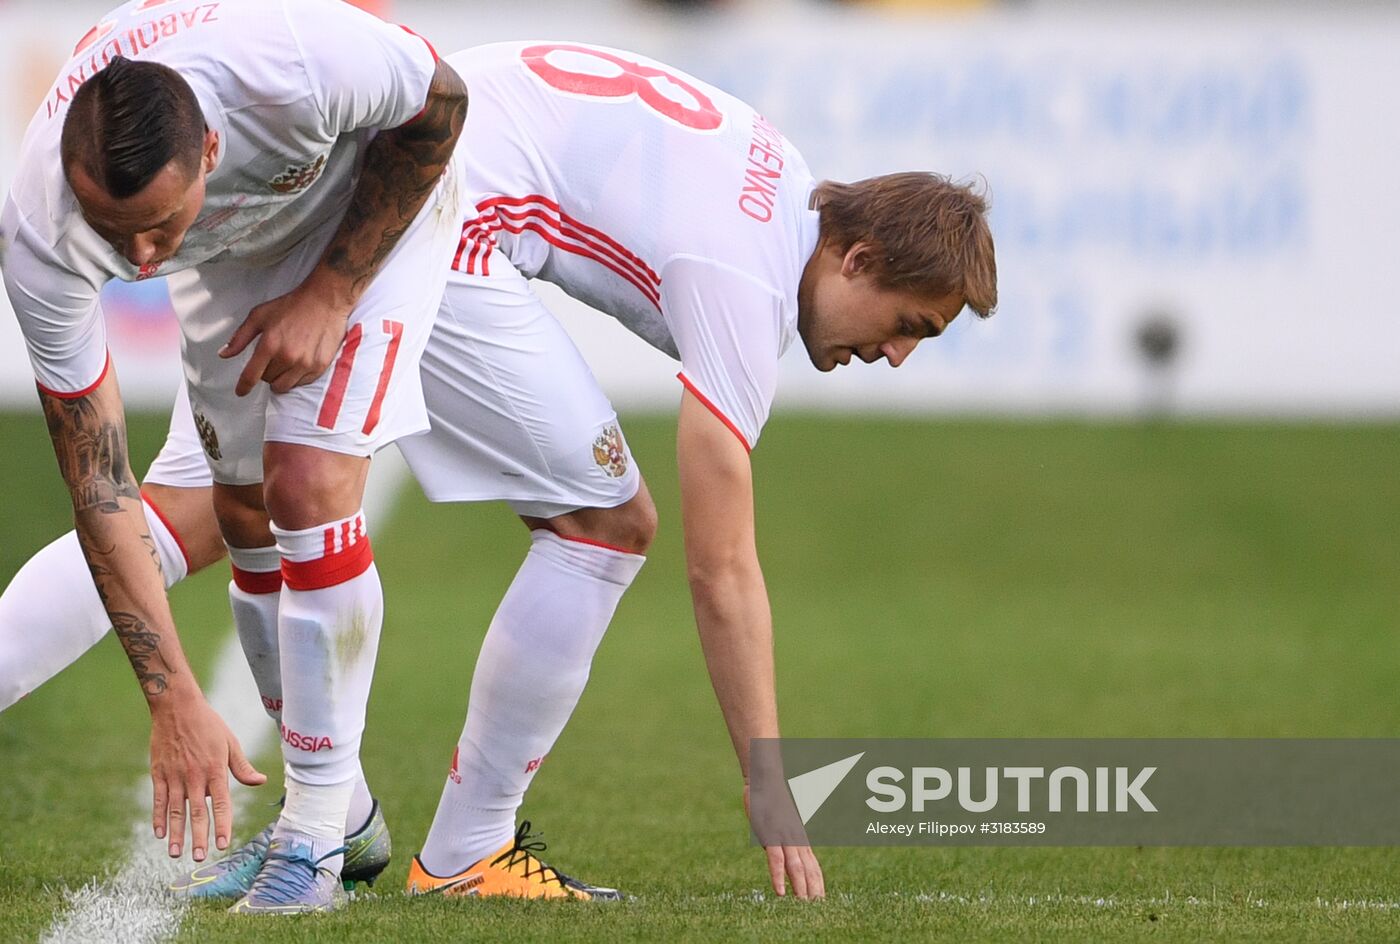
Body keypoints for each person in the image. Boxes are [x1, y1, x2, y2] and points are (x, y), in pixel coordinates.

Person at [0, 40, 996, 903]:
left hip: (370, 188)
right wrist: (766, 777)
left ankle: (365, 826)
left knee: (177, 519)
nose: (897, 352)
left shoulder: (782, 189)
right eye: (908, 325)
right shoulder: (749, 279)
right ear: (857, 257)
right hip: (435, 219)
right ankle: (470, 845)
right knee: (607, 523)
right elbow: (720, 565)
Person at [0, 0, 467, 915]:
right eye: (112, 229)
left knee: (309, 478)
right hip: (235, 242)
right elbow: (99, 485)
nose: (136, 262)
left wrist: (333, 291)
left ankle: (314, 843)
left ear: (210, 152)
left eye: (154, 226)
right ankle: (350, 819)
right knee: (240, 507)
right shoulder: (40, 231)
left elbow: (442, 106)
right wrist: (172, 699)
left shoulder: (296, 64)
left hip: (366, 216)